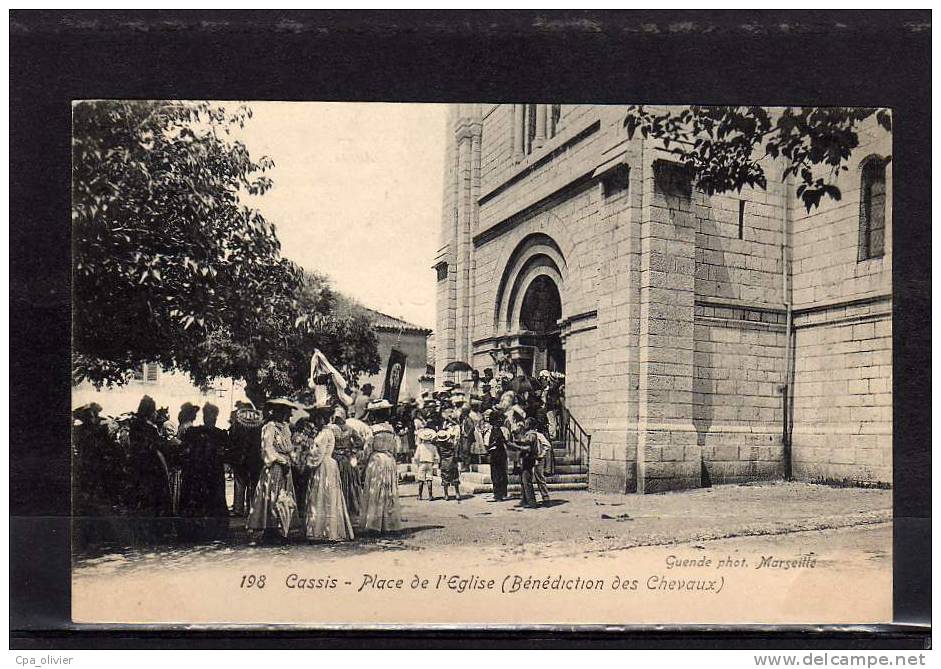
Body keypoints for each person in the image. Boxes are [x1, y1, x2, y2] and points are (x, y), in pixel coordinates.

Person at [247, 399, 298, 543]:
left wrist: (291, 460)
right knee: (273, 496)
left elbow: (290, 447)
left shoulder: (285, 427)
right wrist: (281, 461)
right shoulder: (269, 427)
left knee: (283, 496)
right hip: (275, 466)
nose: (286, 414)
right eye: (284, 411)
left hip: (285, 466)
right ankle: (271, 529)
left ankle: (283, 528)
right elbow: (267, 448)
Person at [177, 402, 229, 542]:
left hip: (207, 474)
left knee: (210, 500)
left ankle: (205, 531)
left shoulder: (217, 434)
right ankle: (203, 531)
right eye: (208, 415)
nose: (210, 418)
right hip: (202, 474)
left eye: (211, 415)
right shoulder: (196, 432)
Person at [301, 415, 355, 542]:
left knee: (323, 494)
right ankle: (323, 529)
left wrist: (308, 461)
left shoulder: (324, 434)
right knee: (324, 494)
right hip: (327, 464)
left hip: (323, 464)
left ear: (323, 419)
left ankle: (325, 530)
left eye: (319, 418)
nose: (316, 421)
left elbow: (318, 453)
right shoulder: (325, 432)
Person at [127, 395, 173, 542]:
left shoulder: (134, 426)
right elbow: (156, 447)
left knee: (141, 498)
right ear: (149, 412)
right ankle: (154, 530)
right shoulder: (149, 429)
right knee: (153, 498)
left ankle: (140, 530)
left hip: (137, 467)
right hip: (151, 468)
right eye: (154, 411)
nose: (155, 414)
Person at [360, 399, 401, 533]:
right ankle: (388, 523)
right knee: (388, 490)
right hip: (389, 459)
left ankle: (374, 523)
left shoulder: (372, 430)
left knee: (376, 490)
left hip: (376, 459)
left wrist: (364, 463)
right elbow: (396, 448)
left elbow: (367, 449)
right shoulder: (390, 429)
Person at [226, 401, 263, 517]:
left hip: (241, 458)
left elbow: (232, 440)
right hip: (255, 459)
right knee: (252, 484)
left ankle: (239, 509)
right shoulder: (258, 424)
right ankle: (251, 509)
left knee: (240, 483)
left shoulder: (237, 425)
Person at [326, 406, 362, 523]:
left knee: (338, 482)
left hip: (334, 457)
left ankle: (338, 509)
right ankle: (348, 509)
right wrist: (352, 450)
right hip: (346, 457)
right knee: (349, 482)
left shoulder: (330, 428)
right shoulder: (350, 429)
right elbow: (360, 441)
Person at [486, 409, 509, 502]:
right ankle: (501, 493)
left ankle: (499, 494)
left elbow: (490, 443)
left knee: (497, 474)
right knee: (500, 473)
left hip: (498, 454)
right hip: (499, 454)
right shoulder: (498, 430)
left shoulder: (496, 430)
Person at [435, 428, 462, 502]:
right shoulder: (451, 445)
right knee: (455, 479)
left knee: (445, 480)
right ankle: (457, 494)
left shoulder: (439, 447)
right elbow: (455, 450)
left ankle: (446, 495)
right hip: (452, 463)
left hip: (444, 463)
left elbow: (439, 455)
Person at [412, 427, 439, 501]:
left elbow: (416, 457)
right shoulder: (433, 447)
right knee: (429, 479)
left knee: (421, 480)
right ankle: (430, 496)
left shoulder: (420, 446)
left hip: (422, 463)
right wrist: (435, 464)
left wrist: (417, 464)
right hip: (430, 464)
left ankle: (420, 495)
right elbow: (437, 457)